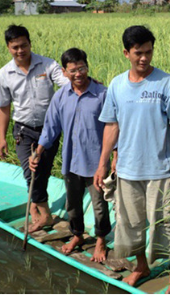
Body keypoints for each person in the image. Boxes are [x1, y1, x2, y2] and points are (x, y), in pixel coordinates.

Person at [93, 25, 170, 293]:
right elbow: (111, 126)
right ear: (126, 53)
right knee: (131, 223)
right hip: (128, 169)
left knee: (167, 222)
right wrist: (102, 164)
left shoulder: (166, 82)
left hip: (162, 167)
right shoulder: (117, 85)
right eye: (138, 53)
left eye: (148, 52)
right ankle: (141, 266)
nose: (144, 58)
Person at [29, 48, 111, 262]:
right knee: (73, 205)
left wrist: (112, 158)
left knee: (100, 206)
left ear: (87, 67)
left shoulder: (102, 94)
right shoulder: (61, 96)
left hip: (97, 163)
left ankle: (101, 240)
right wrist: (37, 152)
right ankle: (77, 235)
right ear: (64, 72)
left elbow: (114, 128)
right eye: (73, 70)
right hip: (71, 161)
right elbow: (50, 128)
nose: (78, 74)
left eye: (82, 68)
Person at [0, 25, 69, 233]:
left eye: (23, 45)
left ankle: (34, 204)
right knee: (31, 172)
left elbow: (67, 84)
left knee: (43, 172)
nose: (20, 51)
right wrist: (1, 137)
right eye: (15, 47)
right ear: (8, 48)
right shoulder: (5, 73)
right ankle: (46, 216)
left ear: (30, 43)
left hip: (48, 129)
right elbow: (4, 106)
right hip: (22, 130)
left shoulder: (47, 65)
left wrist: (86, 82)